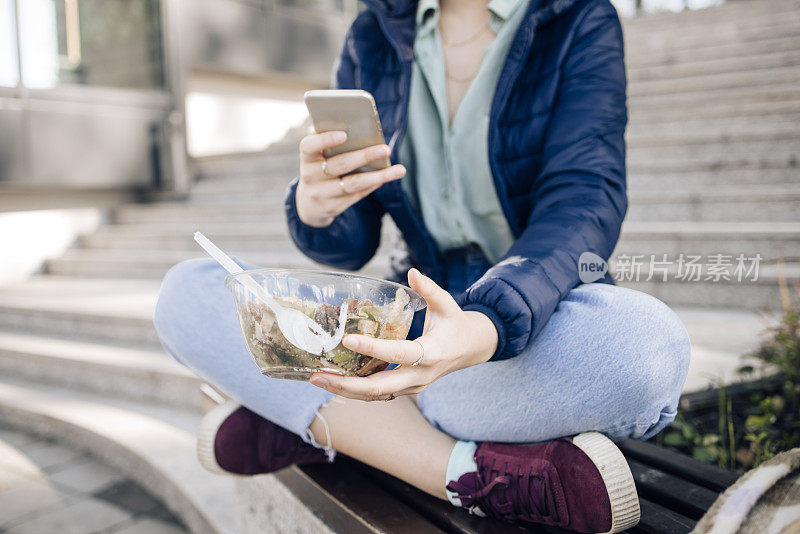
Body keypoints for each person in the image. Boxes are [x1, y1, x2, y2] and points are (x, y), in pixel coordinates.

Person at [154, 0, 691, 531]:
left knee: (644, 347)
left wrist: (485, 325)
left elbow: (584, 199)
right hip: (405, 322)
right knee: (188, 293)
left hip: (529, 321)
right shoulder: (374, 31)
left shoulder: (577, 17)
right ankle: (456, 472)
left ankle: (327, 425)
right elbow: (352, 241)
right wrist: (316, 208)